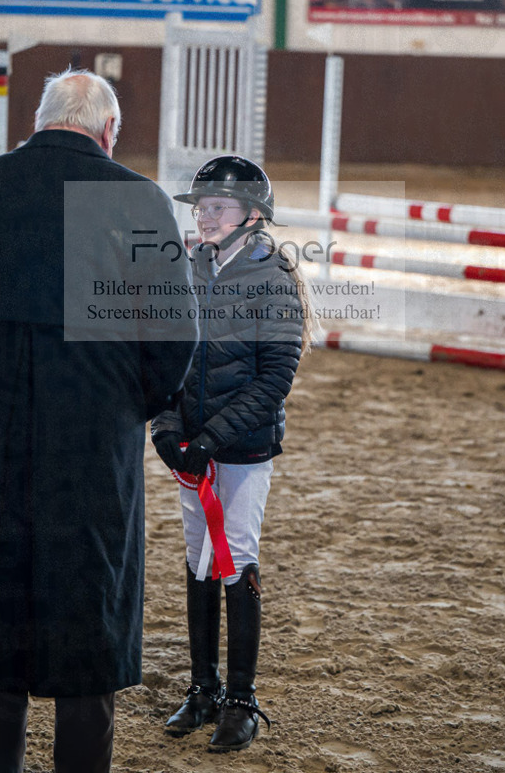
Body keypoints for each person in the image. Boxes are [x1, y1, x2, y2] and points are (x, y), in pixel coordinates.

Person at [0, 68, 198, 773]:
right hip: (93, 446)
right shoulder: (139, 201)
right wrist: (133, 405)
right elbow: (173, 338)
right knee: (85, 618)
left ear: (36, 120)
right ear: (109, 130)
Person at [150, 155, 314, 753]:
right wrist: (165, 426)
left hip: (239, 448)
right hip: (189, 447)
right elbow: (164, 354)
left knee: (235, 554)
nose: (205, 216)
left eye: (217, 207)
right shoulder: (187, 268)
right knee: (198, 558)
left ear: (251, 214)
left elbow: (275, 379)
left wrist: (210, 441)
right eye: (200, 207)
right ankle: (203, 687)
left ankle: (242, 700)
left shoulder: (273, 278)